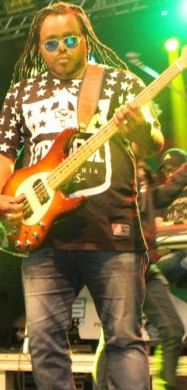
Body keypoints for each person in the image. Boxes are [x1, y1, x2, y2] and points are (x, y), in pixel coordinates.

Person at [0, 1, 163, 389]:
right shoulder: (21, 93)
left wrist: (139, 130)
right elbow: (3, 154)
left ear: (86, 41)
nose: (60, 49)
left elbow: (152, 144)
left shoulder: (120, 83)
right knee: (44, 344)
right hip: (43, 235)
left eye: (69, 40)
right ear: (39, 48)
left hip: (111, 229)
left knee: (124, 340)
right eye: (51, 43)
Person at [95, 159, 185, 390]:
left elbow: (166, 193)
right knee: (117, 336)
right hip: (119, 265)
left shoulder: (146, 181)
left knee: (173, 330)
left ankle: (164, 386)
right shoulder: (113, 171)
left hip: (145, 268)